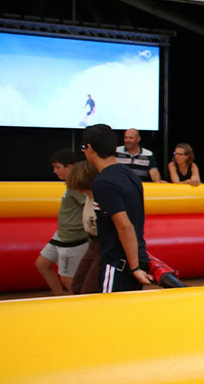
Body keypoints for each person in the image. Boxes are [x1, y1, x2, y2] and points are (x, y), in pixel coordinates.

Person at [82, 124, 153, 292]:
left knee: (110, 313)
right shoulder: (129, 174)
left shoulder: (103, 182)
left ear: (90, 148)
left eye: (83, 147)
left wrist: (134, 268)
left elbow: (124, 225)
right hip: (134, 256)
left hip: (118, 263)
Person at [34, 149, 88, 295]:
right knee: (42, 264)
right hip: (60, 236)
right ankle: (59, 297)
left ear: (69, 167)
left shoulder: (76, 186)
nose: (55, 171)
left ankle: (85, 304)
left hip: (71, 239)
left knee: (67, 280)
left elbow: (90, 205)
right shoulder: (70, 184)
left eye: (58, 167)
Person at [66, 161, 101, 294]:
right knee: (77, 285)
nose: (79, 191)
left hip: (101, 245)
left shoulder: (99, 198)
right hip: (91, 244)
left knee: (88, 289)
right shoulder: (87, 197)